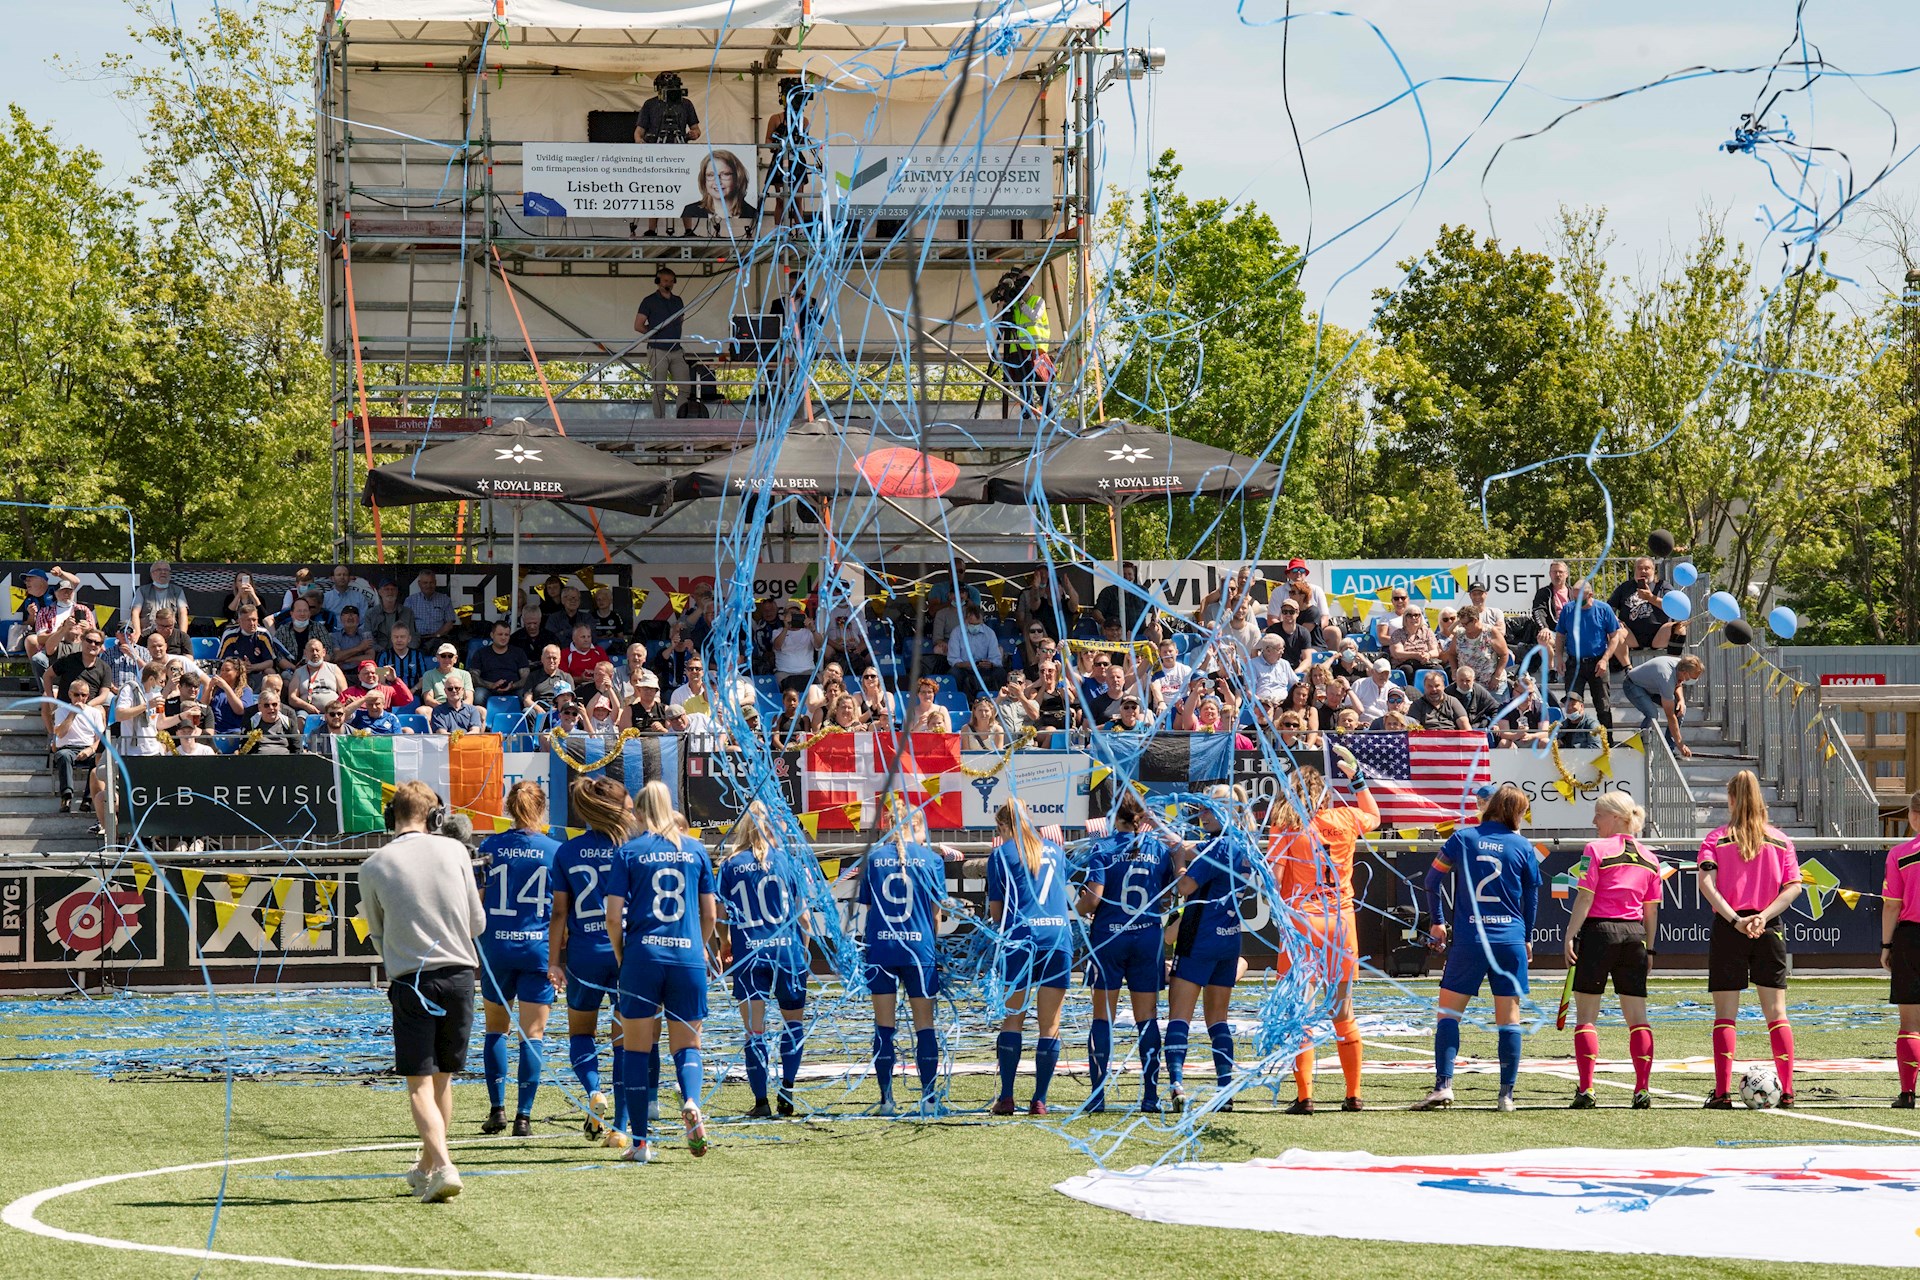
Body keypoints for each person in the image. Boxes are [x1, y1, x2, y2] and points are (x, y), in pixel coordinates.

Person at [357, 780, 486, 1203]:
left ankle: (444, 1165)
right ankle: (428, 1165)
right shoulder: (456, 851)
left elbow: (376, 933)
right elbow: (477, 923)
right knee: (443, 1079)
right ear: (435, 818)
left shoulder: (374, 865)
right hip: (461, 975)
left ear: (390, 817)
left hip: (412, 979)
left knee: (419, 1084)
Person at [605, 780, 717, 1162]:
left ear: (638, 812)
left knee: (637, 1050)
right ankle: (690, 1100)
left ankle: (640, 1142)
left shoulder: (628, 852)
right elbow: (710, 914)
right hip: (687, 958)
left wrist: (623, 954)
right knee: (687, 1046)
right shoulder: (697, 850)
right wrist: (697, 947)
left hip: (642, 957)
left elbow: (612, 915)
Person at [1414, 783, 1540, 1113]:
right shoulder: (1523, 846)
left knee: (1449, 1015)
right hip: (1509, 941)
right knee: (1509, 1020)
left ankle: (1443, 1086)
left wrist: (1438, 922)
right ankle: (1506, 1096)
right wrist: (1526, 936)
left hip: (1471, 940)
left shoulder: (1463, 838)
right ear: (1518, 813)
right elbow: (1532, 896)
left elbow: (1431, 880)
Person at [1267, 754, 1379, 1113]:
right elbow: (1375, 818)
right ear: (1324, 795)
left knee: (1301, 1012)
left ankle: (1305, 1097)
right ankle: (1354, 1093)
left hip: (1303, 922)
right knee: (1343, 1012)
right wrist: (1358, 779)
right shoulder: (1345, 818)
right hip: (1341, 923)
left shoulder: (1285, 826)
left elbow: (1273, 880)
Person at [1696, 770, 1804, 1108]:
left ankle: (1721, 1093)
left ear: (1730, 799)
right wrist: (1764, 916)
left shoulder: (1714, 839)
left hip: (1731, 929)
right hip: (1768, 928)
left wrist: (1736, 920)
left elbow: (1706, 885)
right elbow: (1794, 887)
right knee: (1777, 1013)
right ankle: (1786, 1091)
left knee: (1726, 1015)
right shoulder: (1781, 841)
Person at [1078, 794, 1179, 1113]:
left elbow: (1093, 899)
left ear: (1115, 817)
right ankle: (1150, 1096)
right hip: (1147, 938)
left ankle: (1097, 1096)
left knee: (1102, 1017)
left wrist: (1076, 909)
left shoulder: (1103, 847)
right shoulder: (1159, 849)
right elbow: (1171, 892)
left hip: (1109, 938)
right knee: (1147, 1018)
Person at [548, 777, 635, 1147]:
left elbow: (558, 913)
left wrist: (554, 960)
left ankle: (594, 1092)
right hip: (629, 952)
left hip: (585, 952)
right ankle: (620, 1128)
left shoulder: (567, 851)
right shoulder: (634, 849)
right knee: (626, 1042)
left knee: (581, 1034)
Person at [1564, 792, 1663, 1111]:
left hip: (1598, 934)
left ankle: (1587, 1089)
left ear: (1617, 818)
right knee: (1638, 1018)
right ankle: (1642, 1089)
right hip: (1634, 937)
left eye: (1598, 815)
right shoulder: (1650, 857)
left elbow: (1584, 898)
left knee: (1586, 1018)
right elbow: (1651, 911)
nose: (1594, 821)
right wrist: (1650, 949)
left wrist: (1569, 934)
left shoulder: (1595, 849)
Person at [474, 781, 561, 1138]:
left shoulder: (490, 845)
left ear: (508, 808)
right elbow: (562, 910)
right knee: (533, 1033)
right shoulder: (555, 850)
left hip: (496, 945)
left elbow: (476, 900)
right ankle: (524, 1116)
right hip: (537, 948)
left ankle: (497, 1109)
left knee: (496, 1028)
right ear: (541, 810)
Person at [717, 801, 812, 1118]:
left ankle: (761, 1103)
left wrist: (724, 942)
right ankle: (787, 1089)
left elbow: (720, 914)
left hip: (750, 953)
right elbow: (804, 919)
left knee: (754, 1031)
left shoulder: (730, 865)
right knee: (793, 1024)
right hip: (788, 952)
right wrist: (803, 949)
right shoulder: (787, 861)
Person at [1164, 785, 1254, 1111]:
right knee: (1218, 1019)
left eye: (1206, 809)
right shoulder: (1242, 843)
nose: (1200, 814)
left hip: (1199, 939)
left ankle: (1176, 1082)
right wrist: (1178, 844)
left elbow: (1186, 884)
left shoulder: (1218, 848)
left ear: (1225, 811)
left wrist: (1177, 862)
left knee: (1180, 1016)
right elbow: (1196, 847)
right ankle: (1225, 1091)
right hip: (1229, 939)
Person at [984, 798, 1074, 1117]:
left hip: (1021, 939)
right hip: (1057, 938)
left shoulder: (1001, 854)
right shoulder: (1056, 851)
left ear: (1005, 826)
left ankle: (1007, 1097)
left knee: (1013, 1019)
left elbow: (997, 912)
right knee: (1049, 1025)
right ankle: (1040, 1100)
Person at [858, 798, 948, 1116]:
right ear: (918, 826)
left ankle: (886, 1100)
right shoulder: (930, 859)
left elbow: (869, 912)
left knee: (884, 1027)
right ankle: (928, 1097)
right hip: (919, 949)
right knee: (925, 1026)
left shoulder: (874, 858)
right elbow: (937, 915)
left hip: (881, 948)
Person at [1883, 791, 1920, 1109]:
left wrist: (1885, 945)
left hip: (1910, 939)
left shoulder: (1900, 854)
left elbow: (1892, 907)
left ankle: (1908, 1093)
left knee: (1910, 1022)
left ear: (1913, 816)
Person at [1557, 580, 1619, 731]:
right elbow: (1560, 635)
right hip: (1574, 663)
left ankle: (1608, 742)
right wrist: (1558, 657)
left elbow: (1615, 637)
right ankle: (1575, 741)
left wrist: (1605, 659)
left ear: (1590, 595)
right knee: (1572, 705)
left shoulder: (1604, 609)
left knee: (1603, 705)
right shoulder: (1568, 609)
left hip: (1597, 662)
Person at [635, 268, 693, 420]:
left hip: (676, 348)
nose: (668, 284)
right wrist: (654, 332)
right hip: (657, 349)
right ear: (658, 281)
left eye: (671, 281)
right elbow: (638, 325)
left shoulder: (678, 301)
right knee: (659, 389)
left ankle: (682, 419)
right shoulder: (649, 301)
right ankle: (660, 422)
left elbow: (680, 321)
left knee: (685, 387)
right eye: (665, 280)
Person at [1623, 654, 1704, 757]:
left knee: (1679, 709)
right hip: (1633, 685)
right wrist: (1681, 744)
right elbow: (1670, 715)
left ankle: (1668, 751)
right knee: (1653, 714)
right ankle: (1640, 744)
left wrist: (1681, 700)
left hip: (1651, 686)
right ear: (1684, 673)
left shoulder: (1680, 665)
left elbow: (1678, 683)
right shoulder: (1667, 678)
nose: (1694, 680)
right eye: (1693, 678)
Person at [1608, 556, 1687, 658]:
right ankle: (1626, 667)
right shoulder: (1625, 587)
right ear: (1635, 570)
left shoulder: (1663, 586)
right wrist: (1616, 621)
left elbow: (1674, 607)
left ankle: (1674, 662)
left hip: (1659, 635)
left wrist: (1651, 598)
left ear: (1653, 570)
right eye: (1640, 568)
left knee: (1680, 627)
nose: (1643, 571)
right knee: (1613, 629)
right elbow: (1608, 609)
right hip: (1631, 636)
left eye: (1647, 568)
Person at [763, 76, 815, 226]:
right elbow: (767, 140)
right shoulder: (776, 119)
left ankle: (799, 231)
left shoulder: (803, 120)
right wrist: (780, 144)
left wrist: (797, 144)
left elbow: (805, 142)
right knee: (781, 199)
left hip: (797, 163)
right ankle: (780, 231)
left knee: (798, 199)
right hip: (780, 163)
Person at [679, 149, 757, 236]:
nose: (717, 181)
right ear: (704, 180)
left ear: (738, 177)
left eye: (725, 174)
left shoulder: (752, 213)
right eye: (711, 175)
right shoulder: (690, 211)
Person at [130, 561, 190, 639]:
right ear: (152, 574)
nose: (163, 572)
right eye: (159, 570)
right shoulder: (142, 591)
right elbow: (135, 612)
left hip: (171, 633)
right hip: (148, 634)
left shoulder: (177, 591)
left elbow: (183, 613)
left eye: (166, 570)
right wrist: (137, 633)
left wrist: (182, 636)